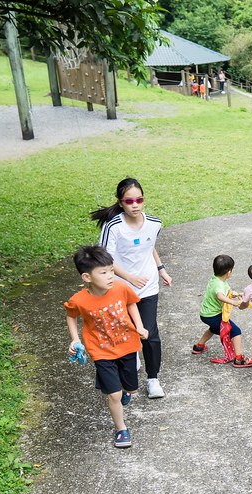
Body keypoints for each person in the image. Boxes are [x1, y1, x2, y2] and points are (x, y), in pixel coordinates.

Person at [93, 177, 171, 399]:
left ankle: (153, 378)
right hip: (119, 289)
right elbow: (104, 259)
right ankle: (128, 370)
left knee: (150, 333)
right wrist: (128, 276)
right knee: (124, 332)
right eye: (129, 201)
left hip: (147, 288)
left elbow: (150, 247)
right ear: (120, 203)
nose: (135, 204)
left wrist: (161, 269)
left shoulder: (154, 223)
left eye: (139, 199)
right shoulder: (113, 227)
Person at [64, 245, 149, 449]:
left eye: (112, 270)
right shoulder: (79, 300)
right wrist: (75, 339)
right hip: (100, 350)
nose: (111, 276)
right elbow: (71, 316)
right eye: (104, 272)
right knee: (114, 394)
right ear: (87, 277)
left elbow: (131, 303)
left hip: (127, 345)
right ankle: (121, 429)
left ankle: (124, 390)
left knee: (130, 388)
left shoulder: (121, 288)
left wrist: (139, 326)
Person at [192, 254, 252, 368]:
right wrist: (234, 303)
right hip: (213, 315)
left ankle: (199, 346)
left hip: (206, 314)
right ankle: (239, 359)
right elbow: (220, 296)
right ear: (229, 272)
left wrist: (236, 294)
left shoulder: (215, 278)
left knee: (214, 328)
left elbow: (227, 291)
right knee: (235, 331)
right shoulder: (219, 285)